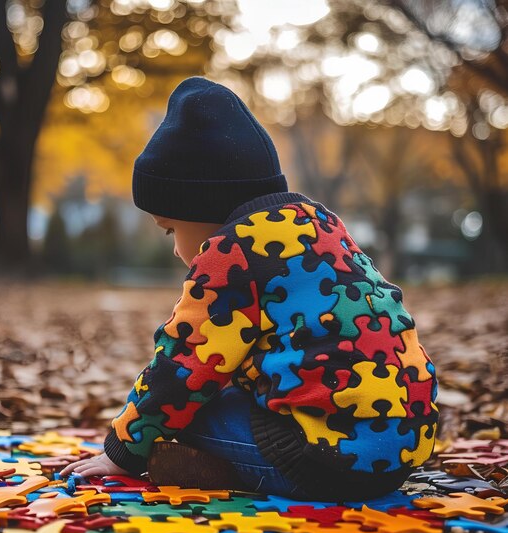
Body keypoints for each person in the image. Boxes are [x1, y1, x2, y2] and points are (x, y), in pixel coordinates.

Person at [61, 76, 440, 501]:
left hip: (320, 461)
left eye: (171, 231)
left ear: (199, 209)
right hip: (404, 449)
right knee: (227, 384)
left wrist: (123, 452)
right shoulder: (322, 225)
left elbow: (181, 367)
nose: (175, 250)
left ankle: (227, 470)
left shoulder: (230, 252)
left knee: (192, 412)